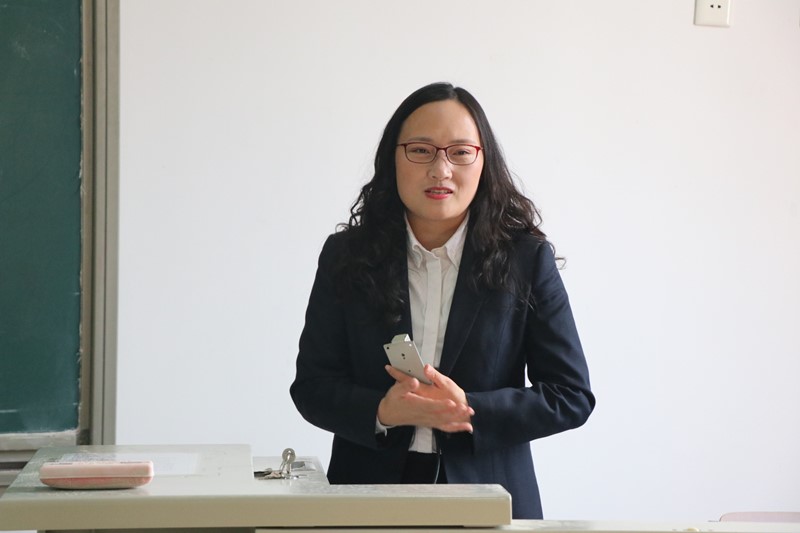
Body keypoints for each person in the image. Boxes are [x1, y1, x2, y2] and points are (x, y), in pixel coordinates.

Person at [290, 82, 594, 519]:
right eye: (421, 150)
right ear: (392, 159)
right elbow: (312, 386)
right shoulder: (347, 256)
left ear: (483, 161)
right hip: (367, 498)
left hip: (490, 500)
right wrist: (382, 410)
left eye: (460, 152)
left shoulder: (526, 259)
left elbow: (571, 395)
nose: (441, 170)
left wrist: (468, 409)